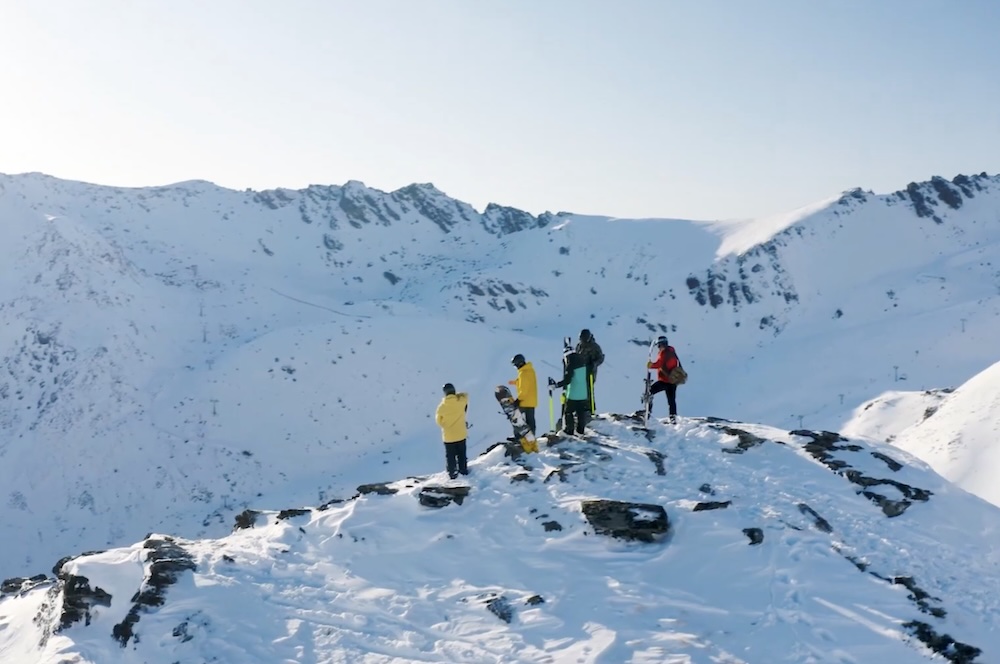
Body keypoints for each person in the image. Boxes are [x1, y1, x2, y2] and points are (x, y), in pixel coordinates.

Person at [549, 347, 590, 435]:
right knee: (580, 412)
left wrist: (556, 385)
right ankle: (580, 431)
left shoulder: (571, 363)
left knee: (568, 412)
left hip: (573, 393)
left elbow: (567, 380)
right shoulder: (582, 361)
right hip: (583, 392)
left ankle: (569, 430)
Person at [435, 383, 469, 479]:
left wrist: (446, 425)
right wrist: (457, 395)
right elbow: (466, 395)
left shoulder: (441, 407)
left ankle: (452, 474)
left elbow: (438, 422)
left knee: (450, 457)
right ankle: (463, 471)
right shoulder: (461, 401)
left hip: (449, 436)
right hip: (461, 434)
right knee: (462, 454)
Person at [647, 337, 680, 423]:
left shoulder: (664, 353)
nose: (658, 347)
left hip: (664, 380)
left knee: (649, 392)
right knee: (671, 400)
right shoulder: (672, 351)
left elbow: (659, 364)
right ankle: (673, 417)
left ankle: (647, 412)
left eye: (659, 345)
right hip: (673, 381)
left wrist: (651, 365)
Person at [508, 354, 538, 435]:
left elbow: (523, 390)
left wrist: (518, 400)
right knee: (530, 420)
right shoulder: (530, 370)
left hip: (524, 401)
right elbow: (528, 384)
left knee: (516, 418)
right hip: (531, 401)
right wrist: (516, 382)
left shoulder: (523, 373)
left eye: (515, 365)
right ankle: (532, 436)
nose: (516, 367)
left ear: (519, 363)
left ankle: (518, 436)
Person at [576, 329, 604, 410]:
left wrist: (594, 364)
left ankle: (590, 408)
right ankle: (581, 409)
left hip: (590, 371)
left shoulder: (595, 347)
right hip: (580, 371)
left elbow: (601, 358)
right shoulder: (579, 346)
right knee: (580, 390)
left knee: (589, 389)